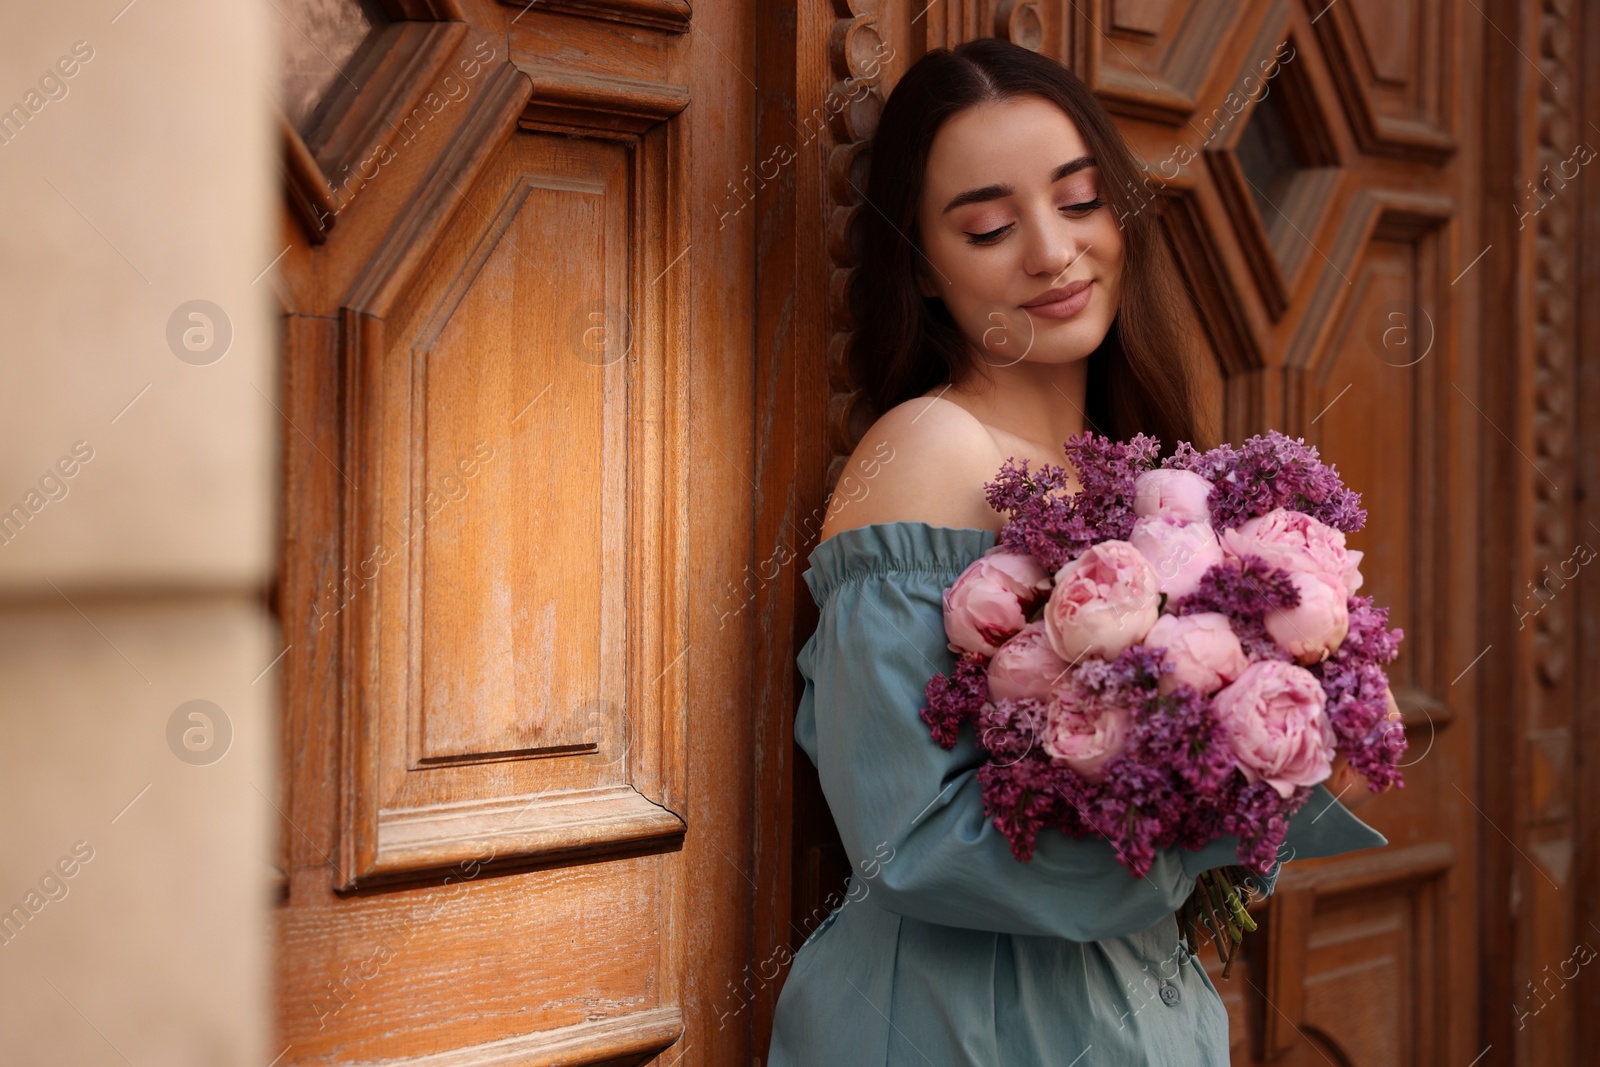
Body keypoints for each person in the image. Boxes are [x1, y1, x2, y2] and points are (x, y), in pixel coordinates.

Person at [766, 38, 1396, 1066]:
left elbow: (1198, 857)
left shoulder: (1151, 486)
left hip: (1134, 1011)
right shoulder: (931, 449)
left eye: (1079, 200)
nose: (1052, 253)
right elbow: (911, 839)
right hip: (958, 1023)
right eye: (987, 226)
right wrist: (1222, 817)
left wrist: (1286, 747)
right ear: (922, 265)